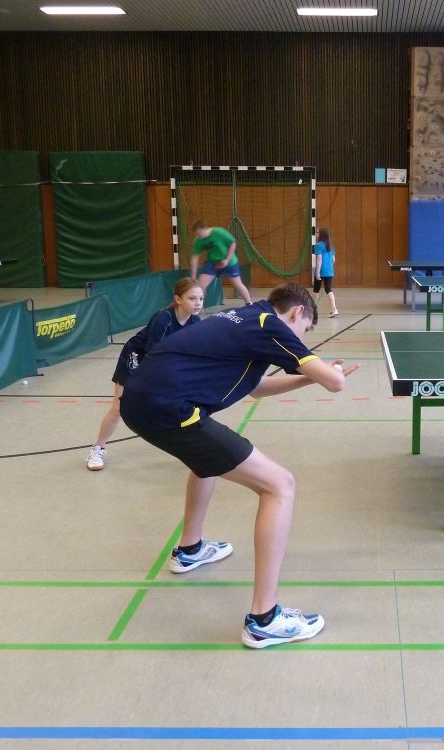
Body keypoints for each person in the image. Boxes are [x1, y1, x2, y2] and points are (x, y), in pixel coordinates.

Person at [118, 282, 359, 648]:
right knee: (279, 485)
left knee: (205, 460)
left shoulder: (242, 317)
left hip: (139, 402)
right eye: (306, 328)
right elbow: (335, 382)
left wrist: (310, 379)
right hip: (169, 409)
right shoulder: (270, 325)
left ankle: (190, 549)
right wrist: (330, 372)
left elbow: (255, 388)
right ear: (297, 313)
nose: (302, 336)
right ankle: (264, 620)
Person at [86, 277, 205, 471]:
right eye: (192, 298)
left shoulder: (195, 322)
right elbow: (153, 355)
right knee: (119, 407)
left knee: (181, 406)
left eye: (200, 298)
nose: (198, 303)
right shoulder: (163, 319)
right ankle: (97, 449)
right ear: (178, 299)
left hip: (162, 362)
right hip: (137, 356)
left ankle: (190, 448)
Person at [191, 220, 252, 305]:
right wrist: (193, 275)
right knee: (200, 285)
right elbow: (195, 257)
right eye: (197, 234)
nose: (199, 236)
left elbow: (233, 243)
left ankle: (249, 304)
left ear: (205, 229)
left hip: (229, 262)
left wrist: (227, 260)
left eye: (200, 233)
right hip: (213, 263)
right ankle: (198, 306)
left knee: (237, 284)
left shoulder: (219, 232)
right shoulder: (198, 241)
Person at [312, 227, 340, 317]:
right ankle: (334, 309)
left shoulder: (318, 245)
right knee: (328, 289)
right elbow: (333, 260)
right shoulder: (330, 246)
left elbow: (319, 259)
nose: (316, 234)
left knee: (316, 289)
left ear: (321, 234)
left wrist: (317, 272)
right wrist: (329, 267)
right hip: (329, 271)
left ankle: (312, 309)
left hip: (321, 271)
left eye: (317, 232)